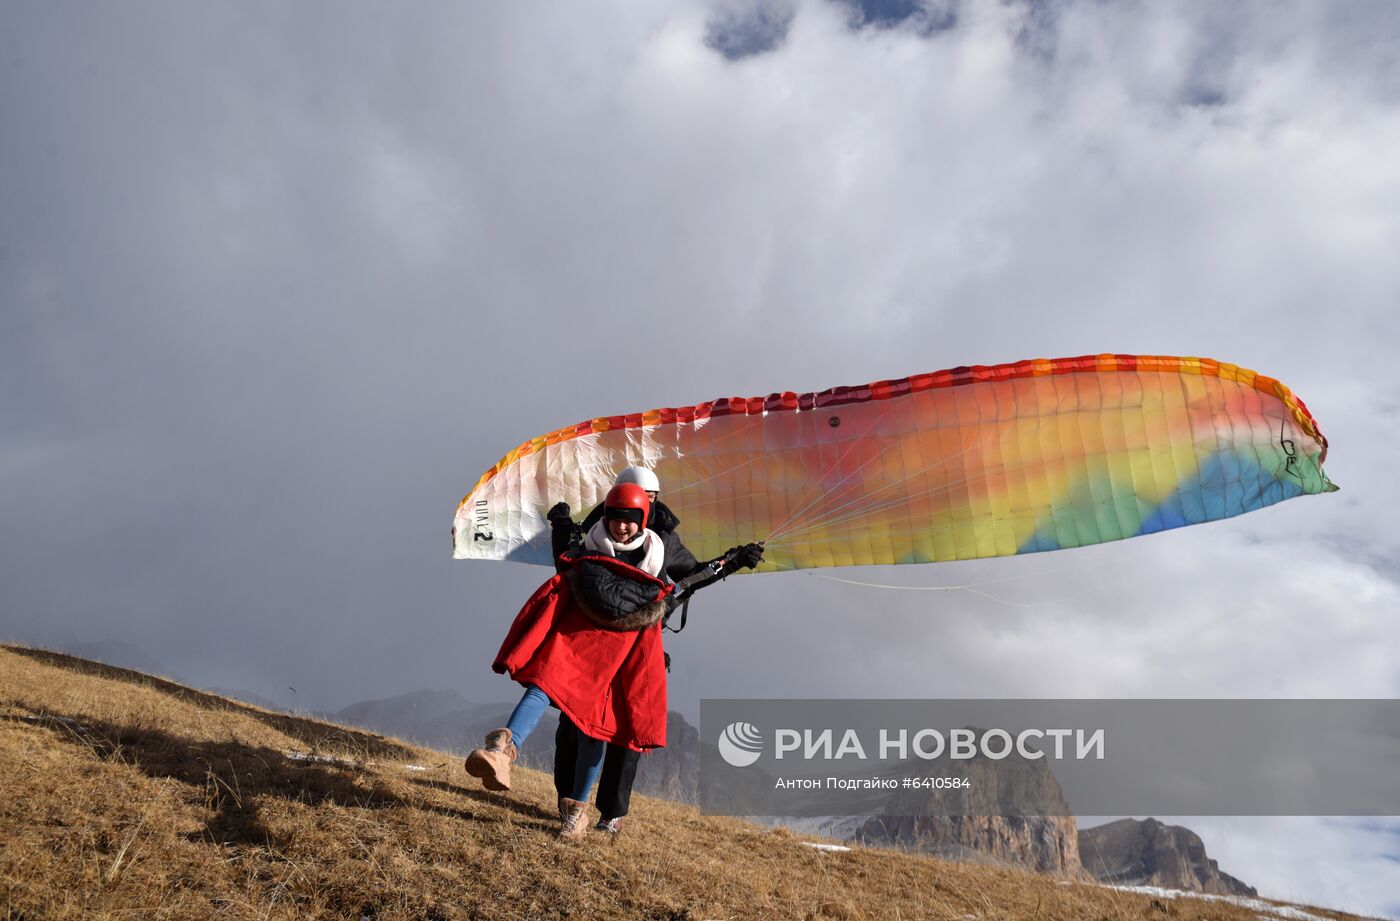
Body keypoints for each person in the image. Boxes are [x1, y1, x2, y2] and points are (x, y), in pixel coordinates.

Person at [550, 466, 763, 833]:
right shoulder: (596, 527)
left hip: (639, 643)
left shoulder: (663, 540)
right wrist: (560, 528)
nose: (634, 506)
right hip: (592, 642)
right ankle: (568, 800)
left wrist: (734, 560)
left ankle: (611, 813)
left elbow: (691, 576)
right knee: (573, 719)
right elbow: (569, 566)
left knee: (628, 724)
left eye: (645, 497)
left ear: (654, 499)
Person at [465, 482, 677, 838]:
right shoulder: (587, 553)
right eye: (614, 518)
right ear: (606, 517)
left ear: (642, 521)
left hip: (612, 662)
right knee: (540, 688)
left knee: (593, 730)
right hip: (576, 643)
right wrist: (562, 526)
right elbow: (556, 589)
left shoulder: (652, 559)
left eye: (629, 520)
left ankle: (574, 812)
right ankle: (503, 749)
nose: (621, 526)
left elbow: (647, 642)